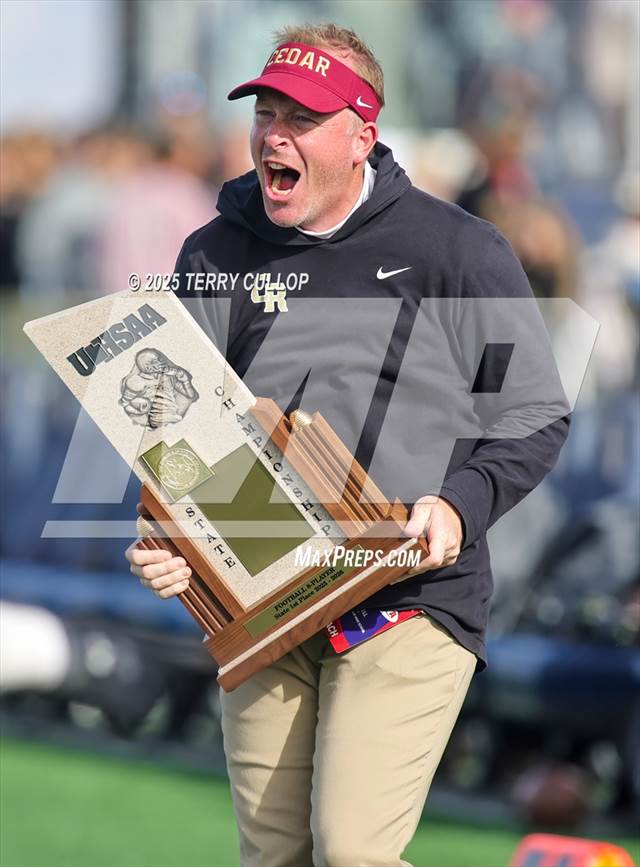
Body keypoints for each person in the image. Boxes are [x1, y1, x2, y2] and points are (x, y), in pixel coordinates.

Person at [126, 24, 570, 867]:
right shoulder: (213, 252)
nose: (274, 134)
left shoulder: (459, 249)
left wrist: (457, 503)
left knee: (354, 850)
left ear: (362, 135)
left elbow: (535, 413)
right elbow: (167, 426)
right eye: (266, 112)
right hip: (260, 588)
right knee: (277, 858)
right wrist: (167, 533)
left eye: (303, 115)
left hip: (409, 591)